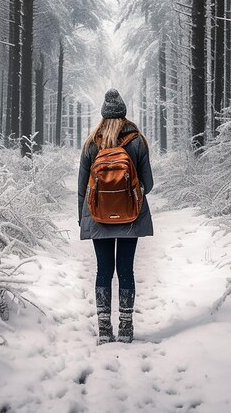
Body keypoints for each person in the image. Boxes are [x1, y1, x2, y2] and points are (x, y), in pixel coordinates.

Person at [77, 89, 154, 344]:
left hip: (98, 217)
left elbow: (82, 188)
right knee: (125, 270)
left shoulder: (91, 142)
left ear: (103, 115)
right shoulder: (137, 141)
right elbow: (149, 184)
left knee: (103, 270)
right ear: (123, 114)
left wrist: (83, 218)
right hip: (130, 217)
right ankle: (126, 328)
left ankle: (104, 330)